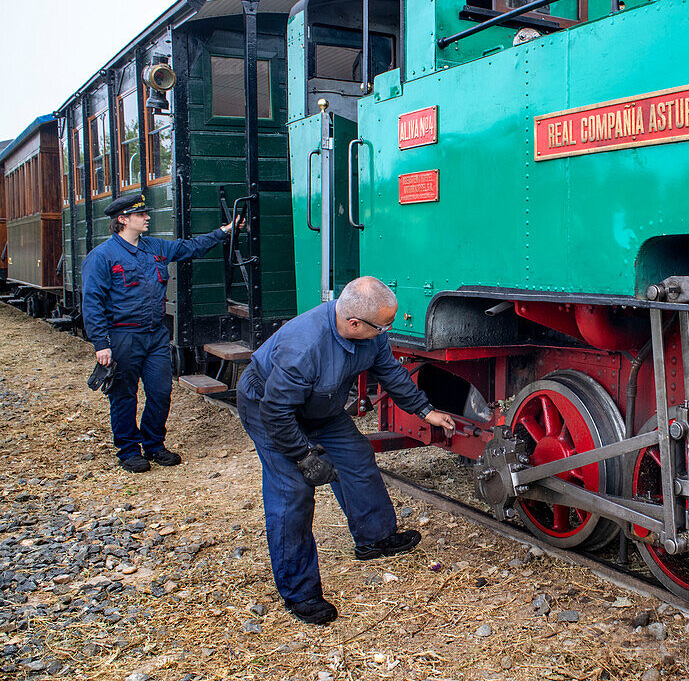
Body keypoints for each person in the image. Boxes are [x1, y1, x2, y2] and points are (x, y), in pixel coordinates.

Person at [237, 277, 455, 625]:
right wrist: (304, 457)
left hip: (321, 406)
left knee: (357, 457)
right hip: (269, 407)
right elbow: (276, 413)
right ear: (354, 323)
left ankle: (375, 539)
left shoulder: (372, 336)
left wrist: (425, 410)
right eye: (383, 324)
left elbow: (391, 374)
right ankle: (300, 593)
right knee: (292, 492)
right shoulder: (303, 347)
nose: (388, 330)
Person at [82, 193, 240, 473]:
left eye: (145, 213)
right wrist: (101, 343)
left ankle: (154, 445)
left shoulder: (153, 247)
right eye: (140, 214)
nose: (147, 218)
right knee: (124, 395)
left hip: (154, 336)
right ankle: (129, 451)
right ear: (122, 220)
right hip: (122, 337)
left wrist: (224, 232)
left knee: (160, 391)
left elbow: (190, 248)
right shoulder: (102, 257)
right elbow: (92, 302)